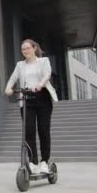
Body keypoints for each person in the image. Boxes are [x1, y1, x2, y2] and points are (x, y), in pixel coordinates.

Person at [5, 39, 58, 174]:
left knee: (43, 130)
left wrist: (40, 84)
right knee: (28, 131)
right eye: (23, 49)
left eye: (27, 48)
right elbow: (13, 78)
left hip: (43, 98)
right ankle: (33, 161)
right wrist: (8, 88)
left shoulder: (44, 61)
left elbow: (47, 74)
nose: (25, 51)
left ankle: (44, 162)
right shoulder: (20, 65)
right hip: (27, 99)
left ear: (34, 48)